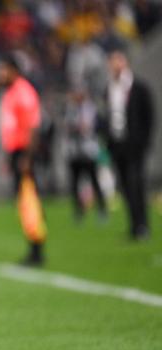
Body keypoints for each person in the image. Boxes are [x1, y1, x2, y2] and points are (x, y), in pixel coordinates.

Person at [0, 55, 45, 266]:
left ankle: (37, 250)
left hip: (24, 153)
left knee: (29, 199)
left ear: (13, 70)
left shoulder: (23, 92)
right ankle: (33, 246)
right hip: (16, 153)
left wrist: (26, 158)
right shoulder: (11, 92)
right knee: (24, 201)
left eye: (3, 70)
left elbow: (33, 127)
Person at [103, 49, 155, 240]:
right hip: (118, 145)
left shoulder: (138, 87)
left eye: (118, 61)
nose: (115, 65)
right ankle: (134, 225)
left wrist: (144, 141)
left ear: (125, 63)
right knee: (125, 186)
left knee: (136, 184)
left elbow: (149, 116)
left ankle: (143, 225)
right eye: (112, 61)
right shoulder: (109, 88)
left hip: (135, 145)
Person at [63, 86, 107, 221]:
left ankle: (101, 209)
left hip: (89, 151)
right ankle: (78, 211)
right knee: (75, 183)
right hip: (74, 152)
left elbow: (100, 126)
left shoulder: (91, 109)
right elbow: (65, 127)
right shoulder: (69, 110)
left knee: (94, 181)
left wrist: (89, 128)